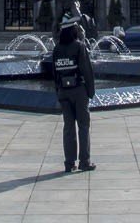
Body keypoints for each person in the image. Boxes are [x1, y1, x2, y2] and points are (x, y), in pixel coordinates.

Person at [52, 13, 96, 172]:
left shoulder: (57, 48)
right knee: (83, 126)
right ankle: (85, 161)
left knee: (68, 128)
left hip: (64, 92)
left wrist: (58, 92)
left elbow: (54, 73)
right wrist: (90, 91)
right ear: (73, 30)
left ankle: (69, 163)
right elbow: (86, 70)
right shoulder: (79, 46)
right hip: (78, 91)